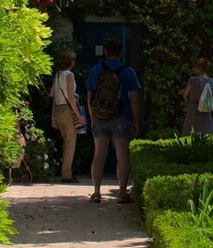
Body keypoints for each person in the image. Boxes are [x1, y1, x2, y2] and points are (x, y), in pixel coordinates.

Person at [86, 40, 143, 203]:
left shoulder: (96, 70)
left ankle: (96, 192)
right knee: (122, 156)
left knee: (99, 154)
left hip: (100, 117)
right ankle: (123, 192)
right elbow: (134, 99)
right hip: (121, 117)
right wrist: (135, 119)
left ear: (105, 52)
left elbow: (90, 96)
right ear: (120, 53)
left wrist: (92, 118)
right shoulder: (128, 72)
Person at [48, 50, 85, 183]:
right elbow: (70, 96)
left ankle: (65, 171)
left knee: (66, 141)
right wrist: (78, 115)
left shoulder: (57, 75)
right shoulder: (70, 75)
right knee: (70, 143)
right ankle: (66, 175)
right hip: (67, 110)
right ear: (71, 62)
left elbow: (51, 93)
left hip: (58, 110)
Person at [181, 57, 213, 136]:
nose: (193, 69)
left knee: (189, 131)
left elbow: (185, 94)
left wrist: (186, 99)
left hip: (194, 107)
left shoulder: (193, 80)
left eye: (194, 67)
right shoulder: (212, 81)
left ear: (198, 68)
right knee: (206, 130)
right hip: (207, 108)